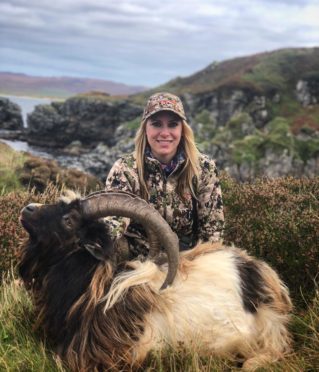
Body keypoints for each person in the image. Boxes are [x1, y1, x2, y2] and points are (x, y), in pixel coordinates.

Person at [105, 92, 224, 257]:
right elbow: (115, 220)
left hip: (188, 262)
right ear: (145, 128)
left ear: (182, 130)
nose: (165, 133)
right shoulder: (125, 169)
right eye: (156, 124)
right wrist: (98, 239)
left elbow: (212, 231)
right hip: (137, 263)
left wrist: (203, 266)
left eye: (173, 124)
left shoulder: (204, 168)